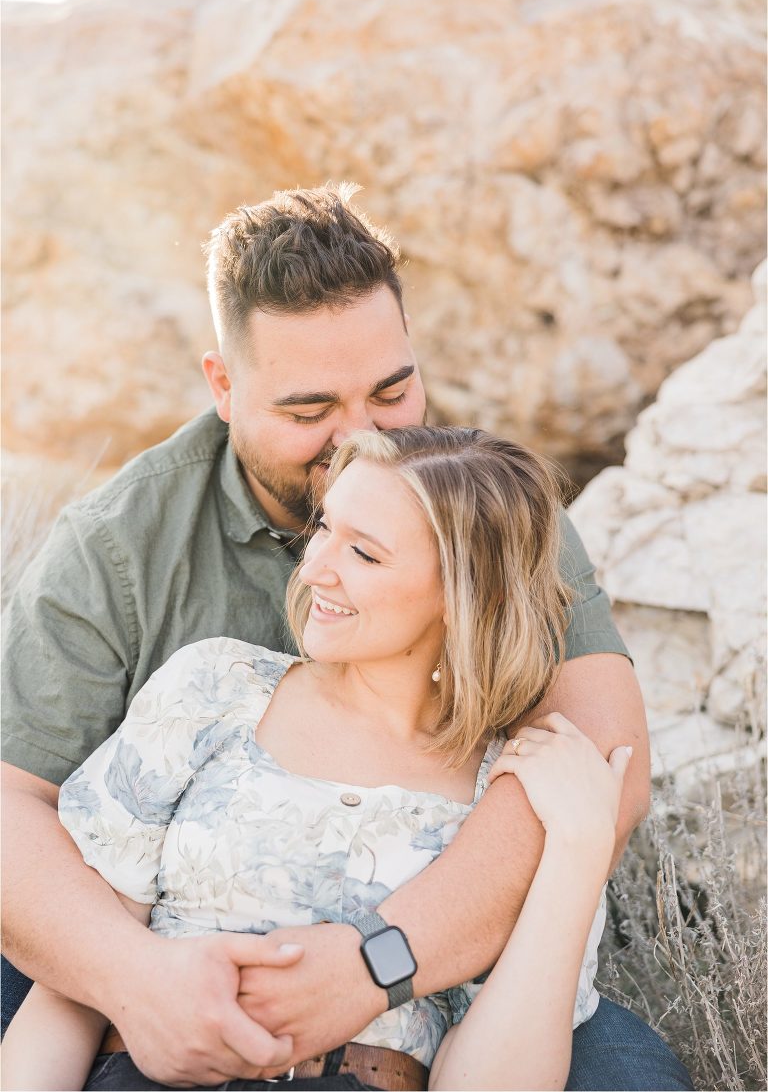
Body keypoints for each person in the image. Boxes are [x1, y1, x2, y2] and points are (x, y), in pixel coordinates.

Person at [1, 184, 691, 1090]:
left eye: (392, 389)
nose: (360, 437)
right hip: (163, 926)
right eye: (308, 409)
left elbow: (609, 765)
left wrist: (376, 962)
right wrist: (138, 983)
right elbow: (15, 807)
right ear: (224, 387)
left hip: (442, 960)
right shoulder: (120, 546)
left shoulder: (481, 514)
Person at [4, 425, 634, 1091]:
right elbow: (66, 992)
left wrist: (580, 850)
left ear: (470, 592)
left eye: (363, 552)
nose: (314, 568)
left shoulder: (515, 790)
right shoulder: (214, 688)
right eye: (325, 528)